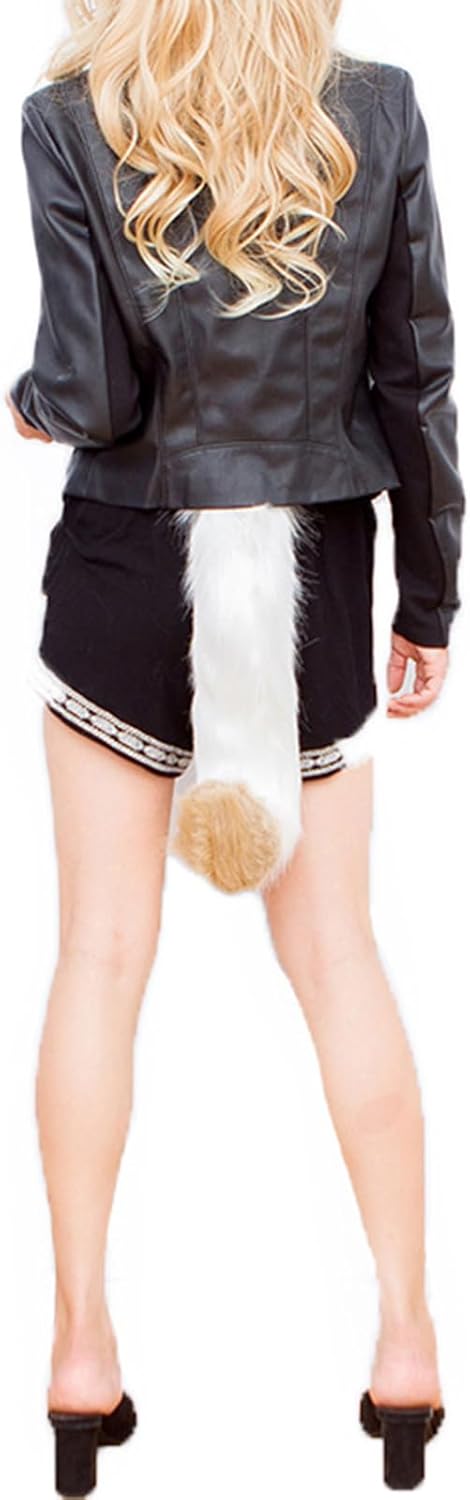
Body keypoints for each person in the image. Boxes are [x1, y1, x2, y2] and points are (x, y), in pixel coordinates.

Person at [6, 0, 465, 1491]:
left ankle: (80, 1357)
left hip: (128, 567)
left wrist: (26, 406)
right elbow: (414, 379)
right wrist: (429, 598)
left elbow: (90, 393)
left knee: (99, 959)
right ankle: (408, 1346)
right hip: (318, 578)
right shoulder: (377, 107)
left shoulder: (72, 115)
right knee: (340, 959)